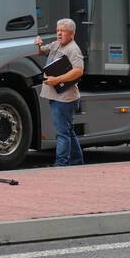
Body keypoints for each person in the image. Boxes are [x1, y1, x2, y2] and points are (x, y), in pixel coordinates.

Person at [35, 19, 85, 166]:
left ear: (72, 34)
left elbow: (78, 71)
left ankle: (61, 164)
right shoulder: (56, 45)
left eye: (62, 31)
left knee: (62, 133)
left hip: (65, 99)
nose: (59, 33)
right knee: (68, 131)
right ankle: (77, 161)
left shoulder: (73, 49)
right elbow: (42, 51)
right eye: (58, 30)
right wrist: (38, 44)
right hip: (57, 96)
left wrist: (56, 80)